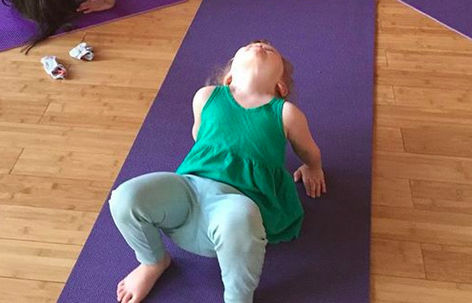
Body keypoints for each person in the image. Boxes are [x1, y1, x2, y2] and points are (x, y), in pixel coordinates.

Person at [109, 40, 326, 303]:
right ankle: (152, 261)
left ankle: (237, 299)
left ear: (281, 86)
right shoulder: (207, 95)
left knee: (240, 215)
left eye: (270, 50)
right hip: (188, 191)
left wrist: (313, 167)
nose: (259, 45)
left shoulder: (285, 113)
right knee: (125, 197)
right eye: (249, 45)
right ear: (229, 77)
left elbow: (307, 149)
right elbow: (199, 135)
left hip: (237, 205)